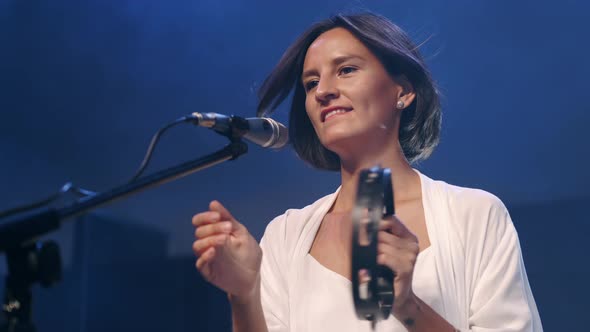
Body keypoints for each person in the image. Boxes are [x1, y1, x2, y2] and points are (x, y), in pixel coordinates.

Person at [191, 12, 542, 332]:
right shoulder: (285, 236)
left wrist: (407, 306)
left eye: (346, 70)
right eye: (311, 83)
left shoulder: (474, 216)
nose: (324, 91)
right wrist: (244, 295)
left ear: (402, 91)